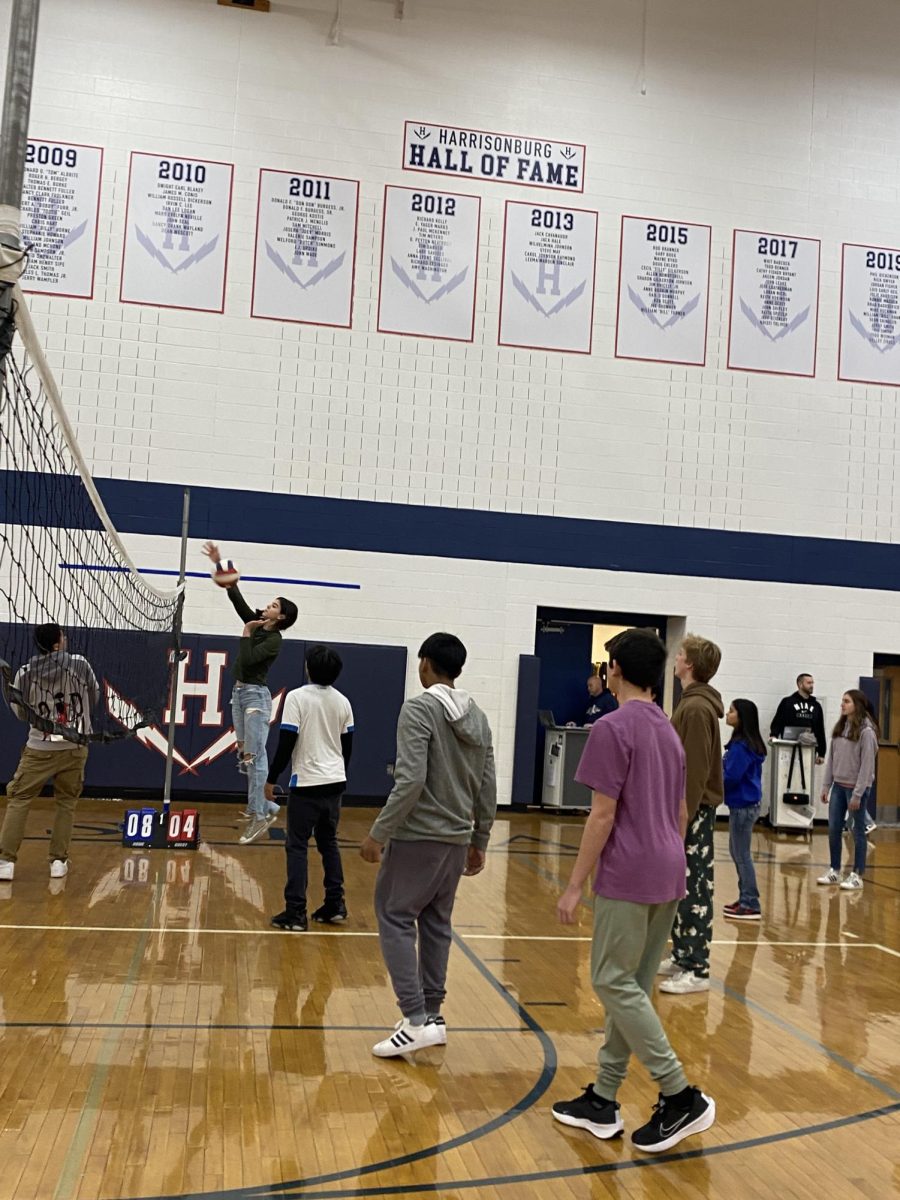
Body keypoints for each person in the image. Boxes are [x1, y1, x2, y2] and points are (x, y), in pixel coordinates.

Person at [552, 628, 715, 1154]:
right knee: (633, 987)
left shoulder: (612, 727)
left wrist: (574, 886)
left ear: (615, 670)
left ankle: (680, 1092)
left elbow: (602, 814)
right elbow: (683, 811)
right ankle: (603, 1097)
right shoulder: (668, 729)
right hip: (669, 868)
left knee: (610, 980)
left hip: (630, 871)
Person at [360, 632, 496, 1057]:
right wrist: (480, 839)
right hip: (456, 840)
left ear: (424, 664)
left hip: (418, 837)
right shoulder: (479, 717)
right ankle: (433, 1016)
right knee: (436, 924)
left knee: (395, 915)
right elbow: (488, 785)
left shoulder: (418, 709)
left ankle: (415, 1018)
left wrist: (379, 831)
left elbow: (411, 779)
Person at [202, 541, 298, 845]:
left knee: (255, 758)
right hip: (239, 695)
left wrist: (246, 634)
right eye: (269, 603)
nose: (267, 607)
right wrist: (223, 570)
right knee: (246, 756)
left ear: (280, 617)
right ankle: (268, 805)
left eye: (273, 605)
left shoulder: (274, 640)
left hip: (256, 698)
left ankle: (257, 816)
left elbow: (247, 660)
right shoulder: (258, 624)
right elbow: (238, 602)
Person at [265, 644, 354, 931]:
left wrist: (271, 778)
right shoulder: (343, 702)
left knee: (297, 846)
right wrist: (337, 773)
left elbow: (286, 741)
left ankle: (295, 912)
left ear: (308, 668)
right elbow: (347, 747)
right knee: (329, 843)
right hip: (335, 781)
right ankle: (335, 903)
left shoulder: (296, 698)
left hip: (307, 782)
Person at [0, 623, 99, 880]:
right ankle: (58, 861)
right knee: (66, 802)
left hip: (40, 748)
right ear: (57, 643)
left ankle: (6, 862)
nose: (65, 639)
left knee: (19, 799)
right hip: (75, 746)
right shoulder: (80, 664)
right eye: (62, 636)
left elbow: (20, 712)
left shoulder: (25, 672)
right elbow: (94, 695)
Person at [658, 634, 723, 995]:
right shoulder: (690, 703)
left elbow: (695, 771)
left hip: (692, 811)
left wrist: (682, 817)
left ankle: (698, 968)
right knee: (681, 884)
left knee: (695, 885)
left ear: (691, 665)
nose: (675, 658)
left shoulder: (697, 709)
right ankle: (683, 954)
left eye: (680, 654)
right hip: (684, 809)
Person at [817, 690, 878, 891]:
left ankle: (857, 874)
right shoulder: (840, 728)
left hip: (856, 789)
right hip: (838, 787)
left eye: (846, 702)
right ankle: (835, 869)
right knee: (834, 829)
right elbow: (832, 760)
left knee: (858, 831)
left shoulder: (866, 732)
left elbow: (867, 766)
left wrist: (858, 794)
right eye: (842, 701)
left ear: (857, 705)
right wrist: (827, 785)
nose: (842, 705)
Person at [722, 699, 767, 920]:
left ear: (742, 717)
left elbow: (731, 777)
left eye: (731, 711)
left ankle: (750, 902)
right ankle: (745, 897)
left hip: (743, 805)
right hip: (744, 805)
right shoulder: (743, 743)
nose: (727, 714)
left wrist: (712, 784)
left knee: (741, 854)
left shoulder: (741, 747)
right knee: (738, 853)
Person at [770, 673, 826, 762]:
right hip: (788, 747)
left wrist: (821, 753)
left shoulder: (816, 706)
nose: (812, 685)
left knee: (806, 775)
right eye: (809, 683)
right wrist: (773, 735)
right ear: (800, 684)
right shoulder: (787, 702)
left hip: (809, 747)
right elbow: (778, 721)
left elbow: (820, 729)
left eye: (812, 683)